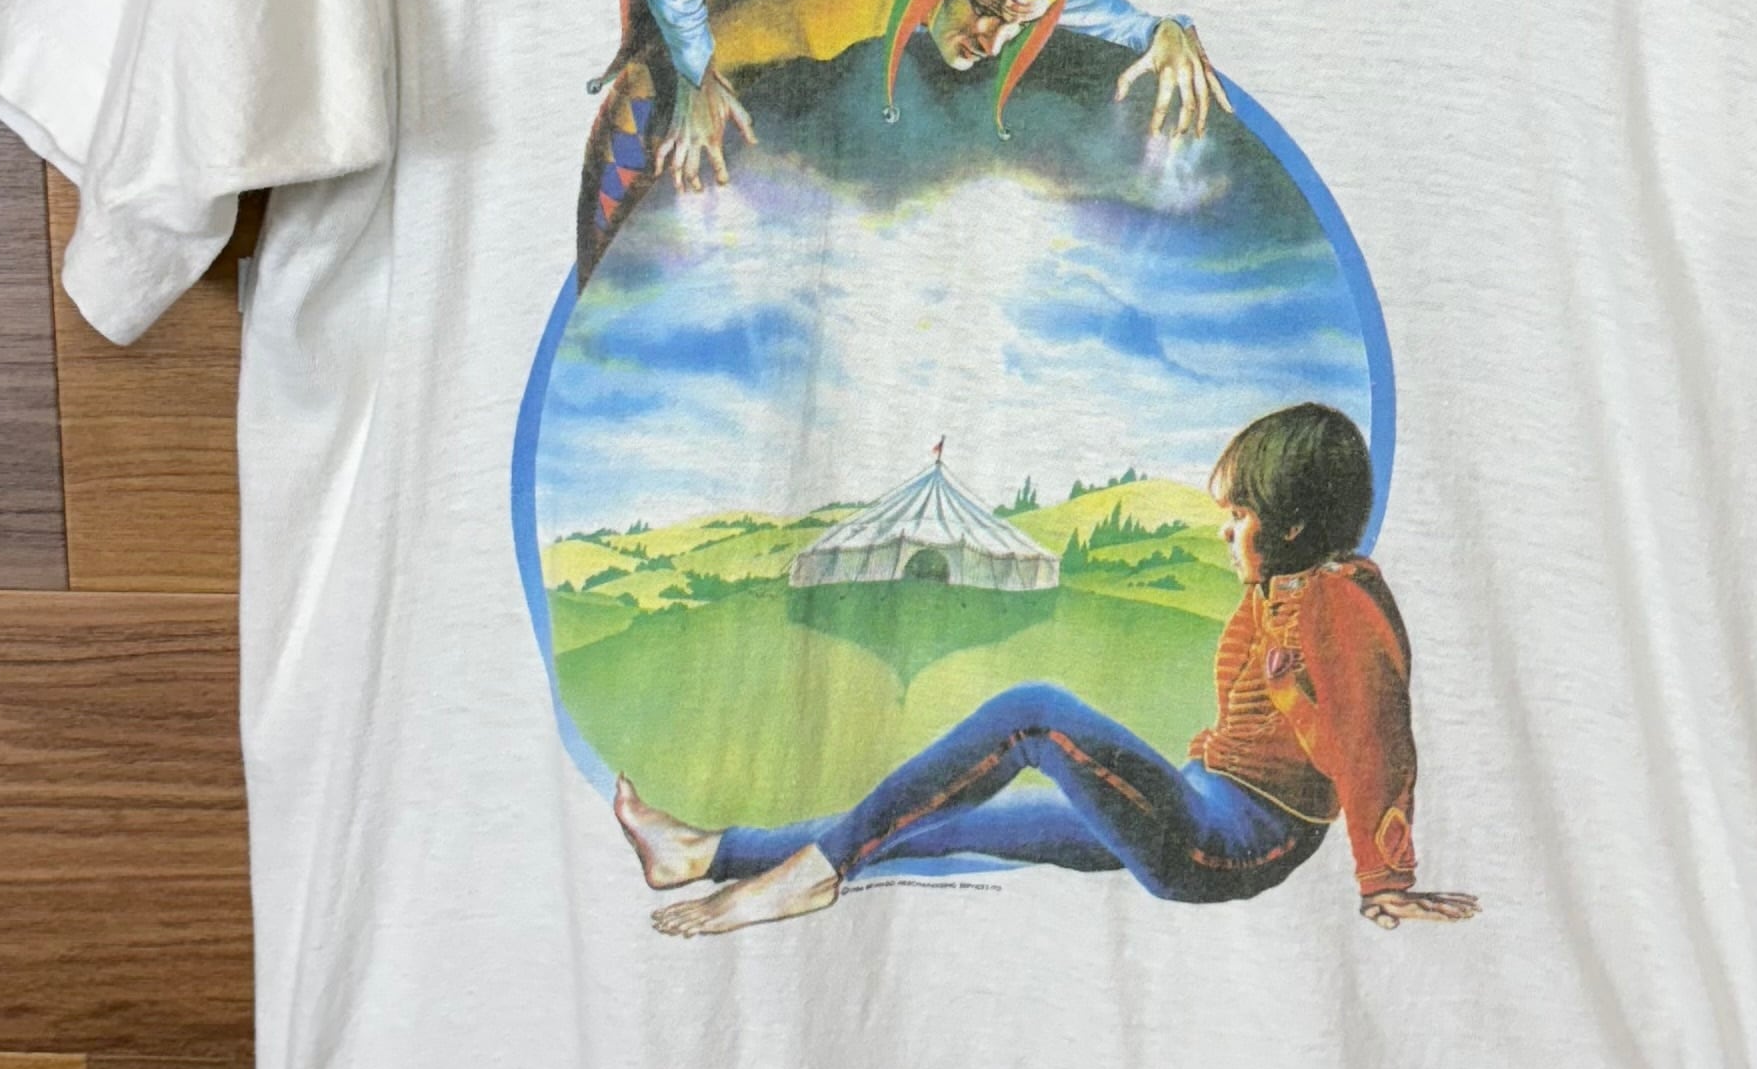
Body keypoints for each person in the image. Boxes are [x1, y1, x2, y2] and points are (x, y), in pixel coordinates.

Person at [614, 401, 1482, 936]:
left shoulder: (1338, 597)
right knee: (941, 818)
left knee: (1031, 711)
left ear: (1292, 523)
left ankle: (813, 876)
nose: (1225, 530)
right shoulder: (1278, 589)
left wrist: (1386, 880)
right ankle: (705, 853)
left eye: (1241, 513)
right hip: (1205, 803)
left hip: (1234, 842)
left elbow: (1376, 746)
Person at [577, 0, 1230, 285]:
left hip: (718, 133)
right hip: (658, 114)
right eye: (987, 10)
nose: (994, 41)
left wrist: (1160, 31)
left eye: (1015, 25)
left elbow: (1076, 5)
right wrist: (695, 70)